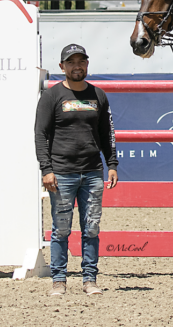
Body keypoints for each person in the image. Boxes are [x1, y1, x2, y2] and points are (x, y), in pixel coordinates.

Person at [35, 44, 119, 296]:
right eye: (70, 62)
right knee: (61, 229)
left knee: (91, 227)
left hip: (93, 173)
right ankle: (59, 281)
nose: (76, 66)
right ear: (62, 67)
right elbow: (40, 134)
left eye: (81, 61)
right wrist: (46, 169)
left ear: (87, 64)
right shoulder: (51, 96)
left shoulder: (98, 96)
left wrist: (112, 164)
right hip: (61, 174)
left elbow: (108, 134)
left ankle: (89, 279)